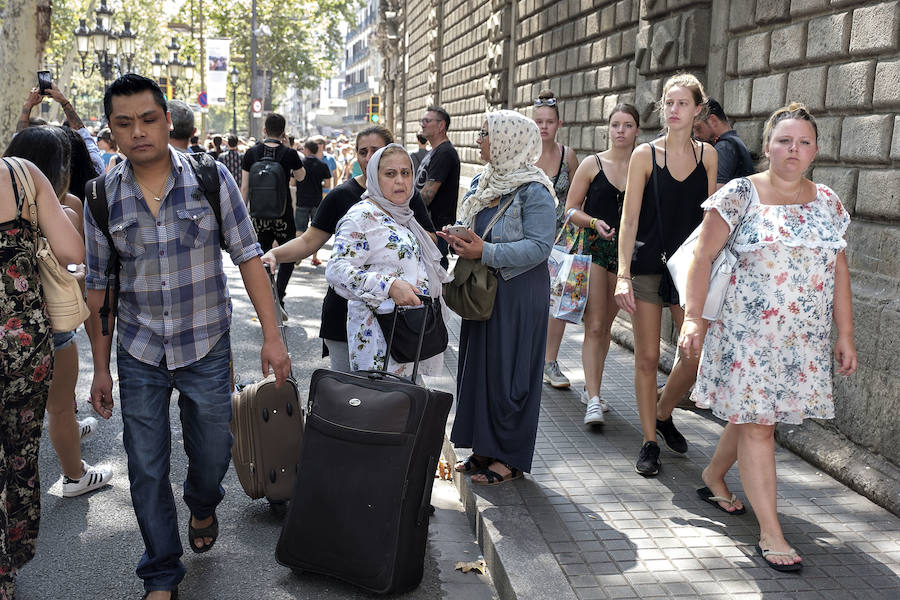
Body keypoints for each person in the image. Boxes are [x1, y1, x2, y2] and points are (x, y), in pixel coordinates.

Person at [83, 74, 290, 600]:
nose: (138, 132)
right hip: (139, 348)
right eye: (124, 123)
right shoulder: (102, 196)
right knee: (145, 465)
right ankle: (160, 573)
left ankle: (203, 501)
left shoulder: (210, 178)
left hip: (205, 343)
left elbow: (247, 257)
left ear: (166, 120)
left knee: (214, 450)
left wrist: (273, 337)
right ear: (111, 130)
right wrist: (101, 367)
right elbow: (100, 288)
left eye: (148, 119)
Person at [679, 103, 856, 572]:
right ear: (768, 145)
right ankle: (771, 532)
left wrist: (846, 334)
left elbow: (838, 268)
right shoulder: (739, 195)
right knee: (760, 424)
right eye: (784, 140)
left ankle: (714, 476)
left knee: (754, 416)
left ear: (816, 150)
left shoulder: (828, 202)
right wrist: (694, 319)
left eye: (803, 142)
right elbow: (702, 259)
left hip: (801, 341)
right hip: (746, 337)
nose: (793, 150)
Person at [443, 110, 556, 485]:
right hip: (484, 292)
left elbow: (540, 247)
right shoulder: (483, 180)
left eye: (485, 133)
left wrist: (484, 253)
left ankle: (508, 458)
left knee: (511, 374)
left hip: (518, 292)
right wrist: (458, 239)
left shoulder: (534, 190)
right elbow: (480, 230)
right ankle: (483, 448)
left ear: (508, 140)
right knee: (480, 370)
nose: (479, 139)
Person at [263, 126, 435, 371]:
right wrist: (274, 254)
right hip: (348, 320)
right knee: (353, 401)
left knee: (398, 401)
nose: (368, 157)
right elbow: (310, 242)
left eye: (375, 151)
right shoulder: (346, 199)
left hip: (400, 324)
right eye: (363, 151)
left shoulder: (405, 197)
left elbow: (426, 240)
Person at [614, 73, 718, 477]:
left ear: (697, 110)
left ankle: (662, 410)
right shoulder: (645, 155)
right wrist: (622, 274)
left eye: (681, 104)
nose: (673, 110)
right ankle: (649, 440)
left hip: (688, 270)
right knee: (648, 356)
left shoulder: (707, 156)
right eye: (668, 103)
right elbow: (629, 219)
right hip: (646, 266)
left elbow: (711, 218)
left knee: (695, 355)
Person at [5, 126, 114, 499]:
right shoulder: (64, 208)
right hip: (45, 326)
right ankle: (74, 476)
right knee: (60, 409)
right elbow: (73, 259)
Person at [0, 152, 84, 600]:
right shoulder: (20, 175)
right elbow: (73, 252)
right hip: (22, 344)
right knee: (18, 449)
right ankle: (8, 566)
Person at [325, 144, 449, 377]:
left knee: (409, 406)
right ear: (374, 177)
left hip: (407, 337)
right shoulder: (361, 216)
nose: (400, 181)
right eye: (390, 174)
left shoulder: (403, 214)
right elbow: (336, 270)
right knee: (382, 408)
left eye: (406, 173)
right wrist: (388, 286)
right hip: (378, 341)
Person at [562, 104, 640, 425]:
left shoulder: (643, 166)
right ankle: (593, 398)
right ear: (608, 128)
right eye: (615, 124)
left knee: (606, 327)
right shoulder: (592, 164)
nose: (621, 130)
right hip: (594, 249)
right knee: (594, 325)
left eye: (628, 125)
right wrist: (594, 223)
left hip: (625, 257)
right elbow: (569, 209)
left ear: (637, 130)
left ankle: (591, 388)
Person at [532, 89, 580, 391]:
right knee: (532, 300)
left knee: (559, 301)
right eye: (539, 121)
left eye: (550, 121)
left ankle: (550, 362)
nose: (544, 126)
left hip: (563, 238)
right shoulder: (524, 153)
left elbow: (578, 196)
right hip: (529, 237)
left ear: (559, 124)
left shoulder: (568, 156)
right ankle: (529, 357)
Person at [240, 114, 306, 310]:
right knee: (288, 255)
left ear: (264, 130)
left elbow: (245, 188)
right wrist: (290, 148)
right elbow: (301, 177)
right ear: (283, 132)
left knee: (261, 256)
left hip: (259, 215)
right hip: (283, 214)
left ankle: (268, 295)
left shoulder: (251, 153)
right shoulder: (289, 154)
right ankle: (280, 294)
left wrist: (243, 215)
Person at [415, 105, 461, 268]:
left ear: (441, 126)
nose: (423, 124)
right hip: (429, 230)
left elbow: (427, 195)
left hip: (435, 231)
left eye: (427, 121)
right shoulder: (435, 151)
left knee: (432, 281)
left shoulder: (444, 153)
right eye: (422, 121)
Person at [692, 98, 755, 189]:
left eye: (698, 128)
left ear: (713, 120)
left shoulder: (723, 147)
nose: (696, 135)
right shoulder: (734, 143)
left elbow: (716, 195)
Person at [295, 140, 332, 267]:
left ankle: (298, 255)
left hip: (301, 200)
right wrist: (319, 183)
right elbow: (327, 184)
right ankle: (314, 257)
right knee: (316, 230)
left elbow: (292, 183)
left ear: (307, 150)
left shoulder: (300, 164)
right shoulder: (322, 165)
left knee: (300, 229)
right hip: (317, 201)